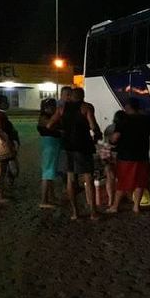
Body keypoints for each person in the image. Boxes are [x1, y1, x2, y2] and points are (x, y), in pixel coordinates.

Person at [47, 87, 101, 220]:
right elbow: (93, 126)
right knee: (88, 178)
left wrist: (61, 131)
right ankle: (93, 212)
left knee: (70, 179)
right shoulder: (86, 107)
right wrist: (97, 137)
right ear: (83, 96)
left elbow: (49, 125)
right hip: (83, 146)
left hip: (67, 147)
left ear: (71, 96)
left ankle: (75, 212)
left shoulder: (61, 108)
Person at [107, 98, 150, 214]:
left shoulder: (123, 120)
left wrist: (110, 141)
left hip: (126, 156)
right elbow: (144, 114)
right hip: (142, 155)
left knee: (122, 182)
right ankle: (136, 207)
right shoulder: (147, 119)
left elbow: (115, 138)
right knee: (140, 182)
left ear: (127, 107)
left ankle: (115, 207)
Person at [98, 110, 126, 207]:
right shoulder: (122, 129)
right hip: (117, 155)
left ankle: (111, 200)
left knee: (110, 177)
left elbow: (106, 143)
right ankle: (118, 197)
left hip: (106, 154)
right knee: (119, 177)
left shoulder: (109, 128)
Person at [37, 98, 61, 209]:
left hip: (52, 145)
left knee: (50, 173)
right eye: (52, 107)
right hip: (50, 146)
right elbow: (50, 126)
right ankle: (44, 200)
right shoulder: (44, 118)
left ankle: (51, 197)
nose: (54, 109)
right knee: (47, 173)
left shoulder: (47, 117)